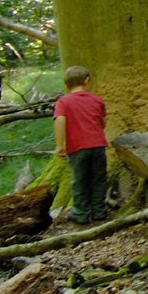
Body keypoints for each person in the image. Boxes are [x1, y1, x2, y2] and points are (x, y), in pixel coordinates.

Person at [54, 64, 109, 223]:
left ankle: (81, 213)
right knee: (99, 179)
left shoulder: (63, 102)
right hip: (98, 145)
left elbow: (60, 120)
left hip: (77, 147)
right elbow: (103, 122)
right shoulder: (97, 100)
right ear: (86, 80)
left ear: (66, 83)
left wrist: (60, 144)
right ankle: (99, 211)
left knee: (79, 180)